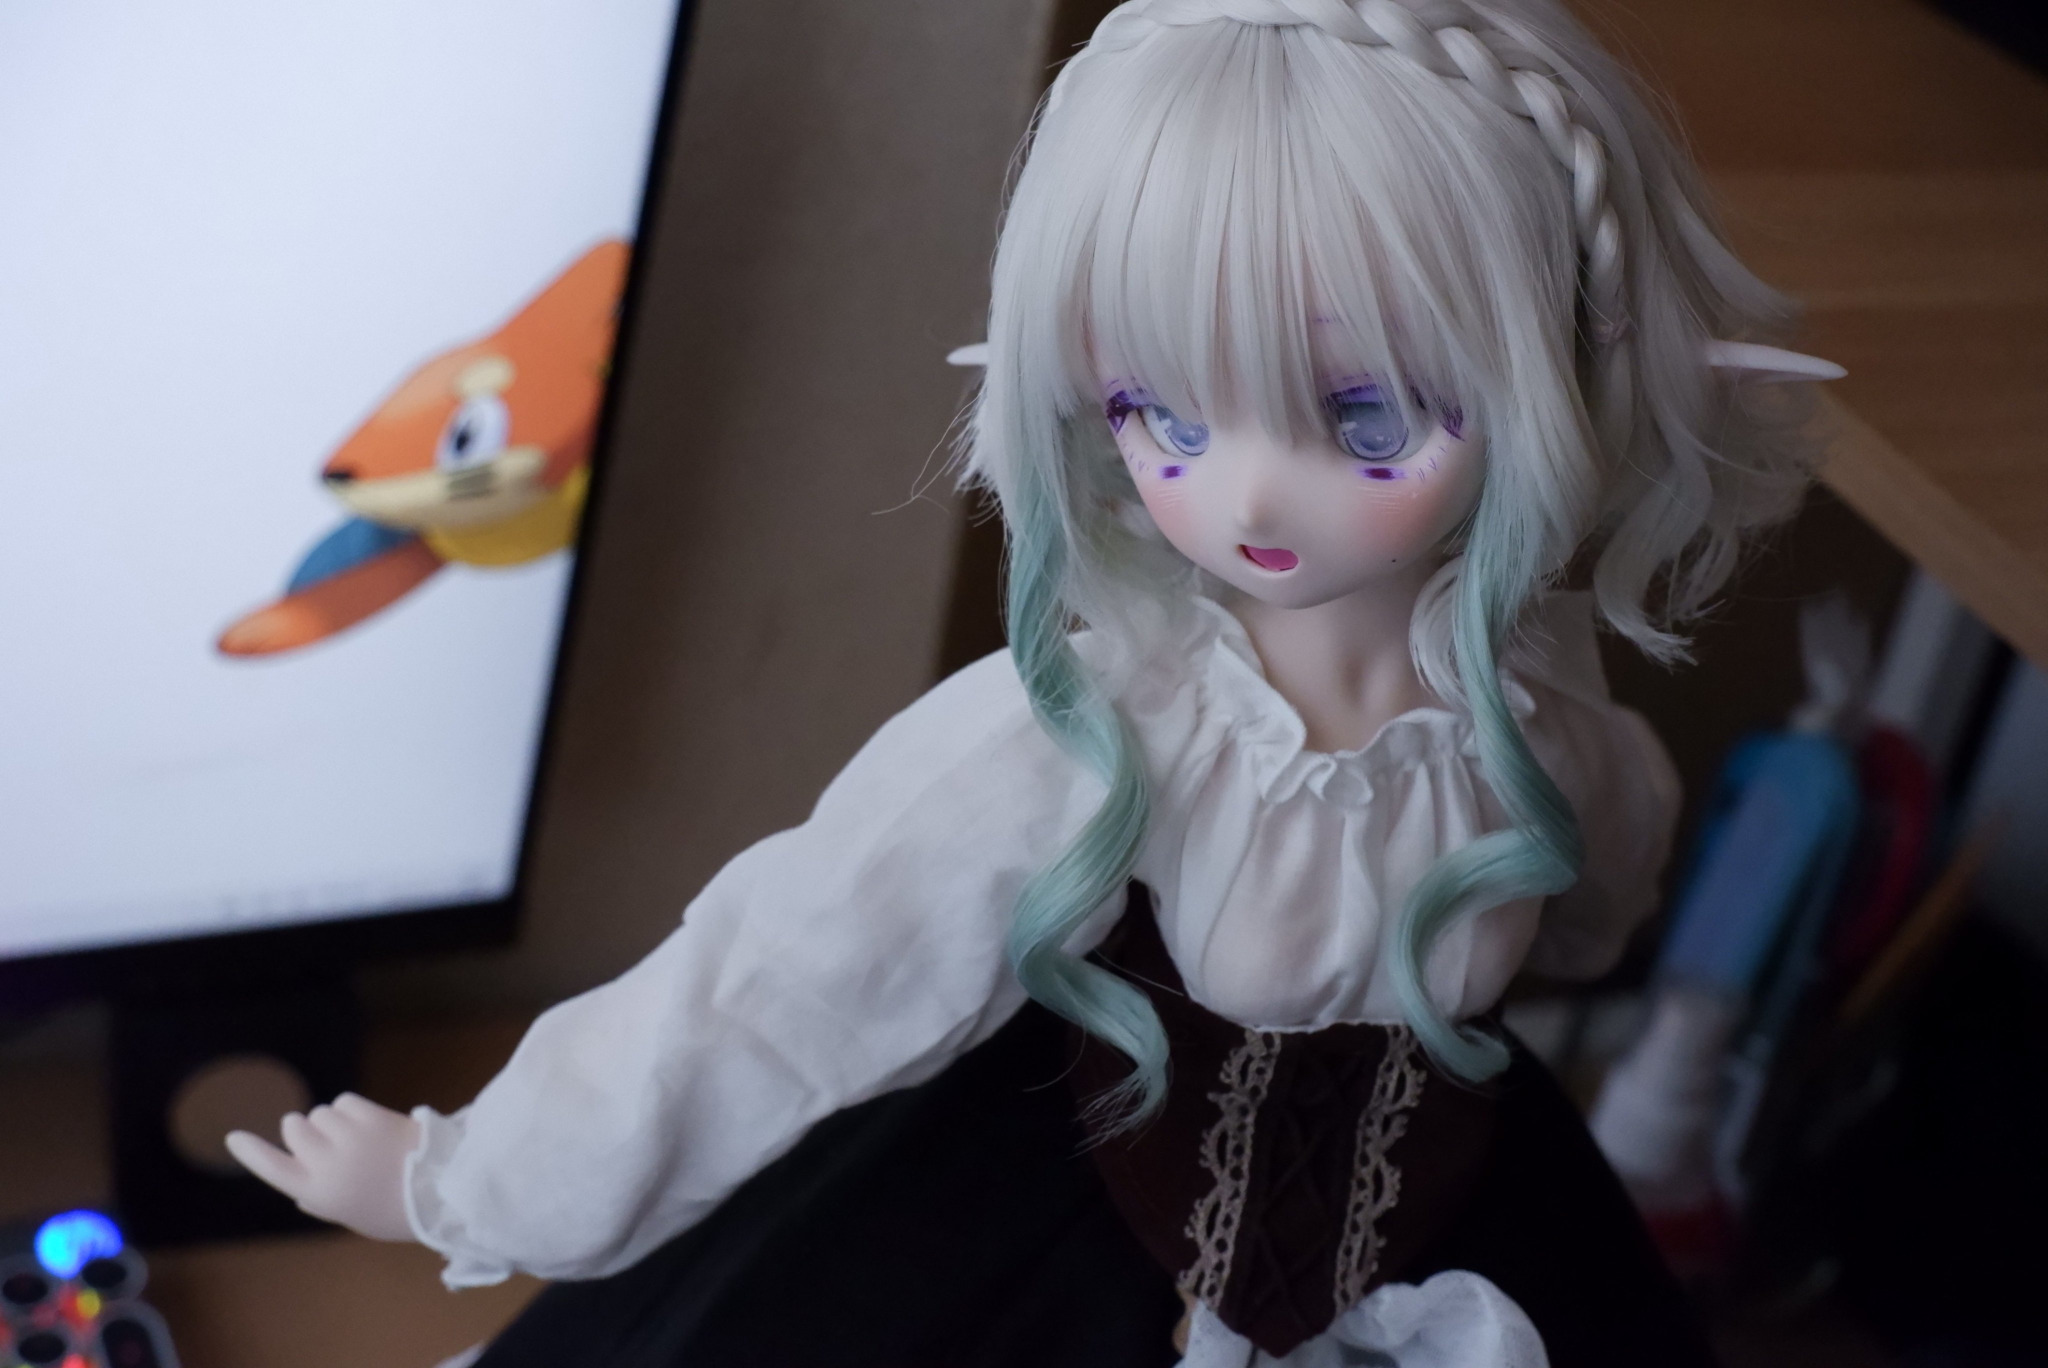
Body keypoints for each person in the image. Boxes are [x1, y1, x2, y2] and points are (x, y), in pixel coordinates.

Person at [228, 1, 1833, 1361]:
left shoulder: (1520, 684)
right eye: (1163, 415)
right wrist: (469, 1176)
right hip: (1063, 1240)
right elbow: (785, 973)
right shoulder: (1096, 726)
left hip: (1460, 1241)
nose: (1247, 496)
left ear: (1557, 376)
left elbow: (1603, 861)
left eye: (1364, 418)